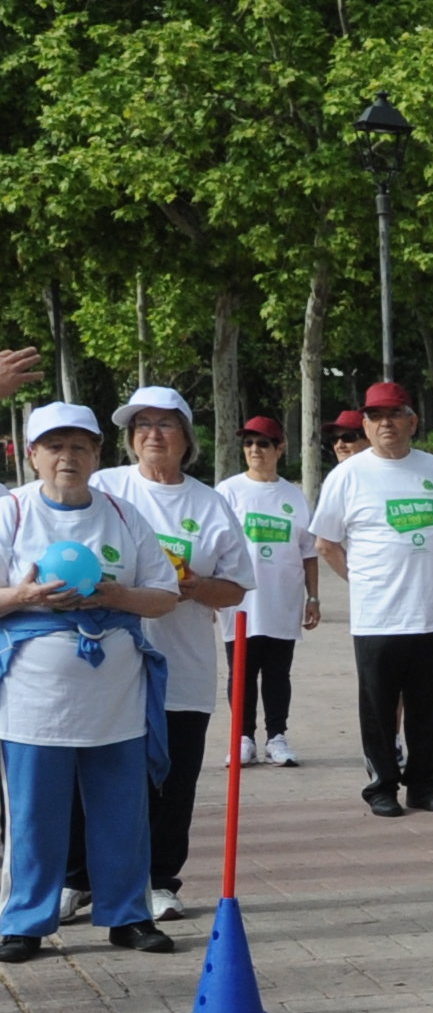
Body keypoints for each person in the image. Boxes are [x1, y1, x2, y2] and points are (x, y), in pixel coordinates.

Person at [0, 402, 183, 959]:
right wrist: (27, 597)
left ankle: (127, 916)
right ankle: (25, 921)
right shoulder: (11, 512)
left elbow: (165, 594)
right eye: (54, 447)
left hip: (114, 696)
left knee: (122, 812)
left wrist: (116, 596)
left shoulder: (124, 516)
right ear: (32, 456)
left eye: (79, 446)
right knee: (34, 815)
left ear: (98, 455)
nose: (67, 458)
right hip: (35, 700)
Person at [91, 387, 250, 922]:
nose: (152, 434)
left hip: (183, 665)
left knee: (173, 778)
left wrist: (195, 586)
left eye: (165, 425)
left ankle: (160, 881)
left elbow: (236, 587)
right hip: (105, 663)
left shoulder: (210, 503)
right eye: (142, 425)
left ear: (187, 438)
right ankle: (79, 879)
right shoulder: (104, 487)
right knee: (99, 774)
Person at [312, 381, 433, 816]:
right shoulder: (347, 475)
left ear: (412, 421)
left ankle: (425, 783)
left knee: (428, 704)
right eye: (376, 416)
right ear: (365, 424)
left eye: (395, 414)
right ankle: (382, 784)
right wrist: (363, 579)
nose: (386, 423)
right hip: (377, 617)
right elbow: (326, 543)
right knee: (379, 707)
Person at [222, 417, 318, 767]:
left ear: (280, 448)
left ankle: (276, 736)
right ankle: (242, 737)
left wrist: (314, 597)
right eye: (248, 443)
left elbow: (308, 551)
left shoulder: (294, 497)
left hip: (282, 598)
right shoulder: (228, 491)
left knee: (278, 672)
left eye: (263, 443)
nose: (254, 450)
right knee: (241, 671)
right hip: (241, 601)